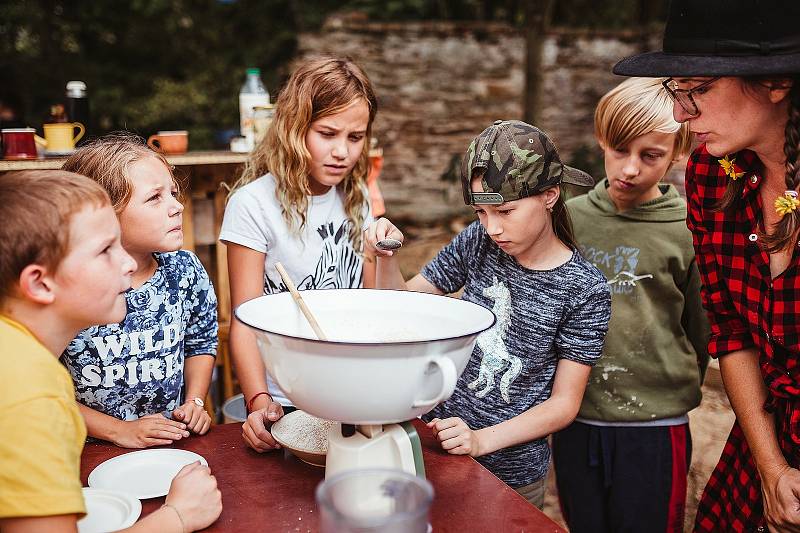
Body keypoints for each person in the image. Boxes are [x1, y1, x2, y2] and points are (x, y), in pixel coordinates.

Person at [613, 1, 800, 531]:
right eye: (677, 91)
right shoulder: (712, 176)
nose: (680, 114)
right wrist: (772, 469)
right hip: (763, 449)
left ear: (776, 83)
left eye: (698, 89)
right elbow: (730, 328)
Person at [365, 120, 611, 508]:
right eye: (481, 212)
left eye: (506, 211)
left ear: (550, 195)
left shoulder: (585, 289)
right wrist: (384, 256)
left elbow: (564, 404)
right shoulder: (478, 242)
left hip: (512, 478)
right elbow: (402, 308)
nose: (492, 227)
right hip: (436, 448)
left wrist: (481, 440)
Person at [0, 170, 222, 532]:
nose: (129, 264)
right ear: (39, 283)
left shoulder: (21, 358)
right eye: (105, 250)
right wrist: (179, 517)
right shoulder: (28, 396)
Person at [552, 77, 709, 532]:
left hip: (655, 424)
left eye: (650, 155)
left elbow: (701, 330)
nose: (630, 169)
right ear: (602, 139)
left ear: (677, 152)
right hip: (575, 417)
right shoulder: (569, 219)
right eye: (619, 150)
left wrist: (670, 388)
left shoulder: (689, 230)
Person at [220, 56, 378, 453]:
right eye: (327, 133)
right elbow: (244, 321)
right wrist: (259, 400)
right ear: (294, 128)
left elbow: (374, 302)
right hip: (288, 398)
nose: (342, 151)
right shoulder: (253, 205)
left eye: (355, 138)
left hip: (355, 392)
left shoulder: (357, 200)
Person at [60, 134, 218, 448]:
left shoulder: (184, 270)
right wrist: (119, 430)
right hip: (88, 450)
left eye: (173, 193)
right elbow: (42, 387)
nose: (176, 207)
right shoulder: (69, 287)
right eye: (154, 198)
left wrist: (195, 401)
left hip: (169, 444)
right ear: (105, 213)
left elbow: (200, 341)